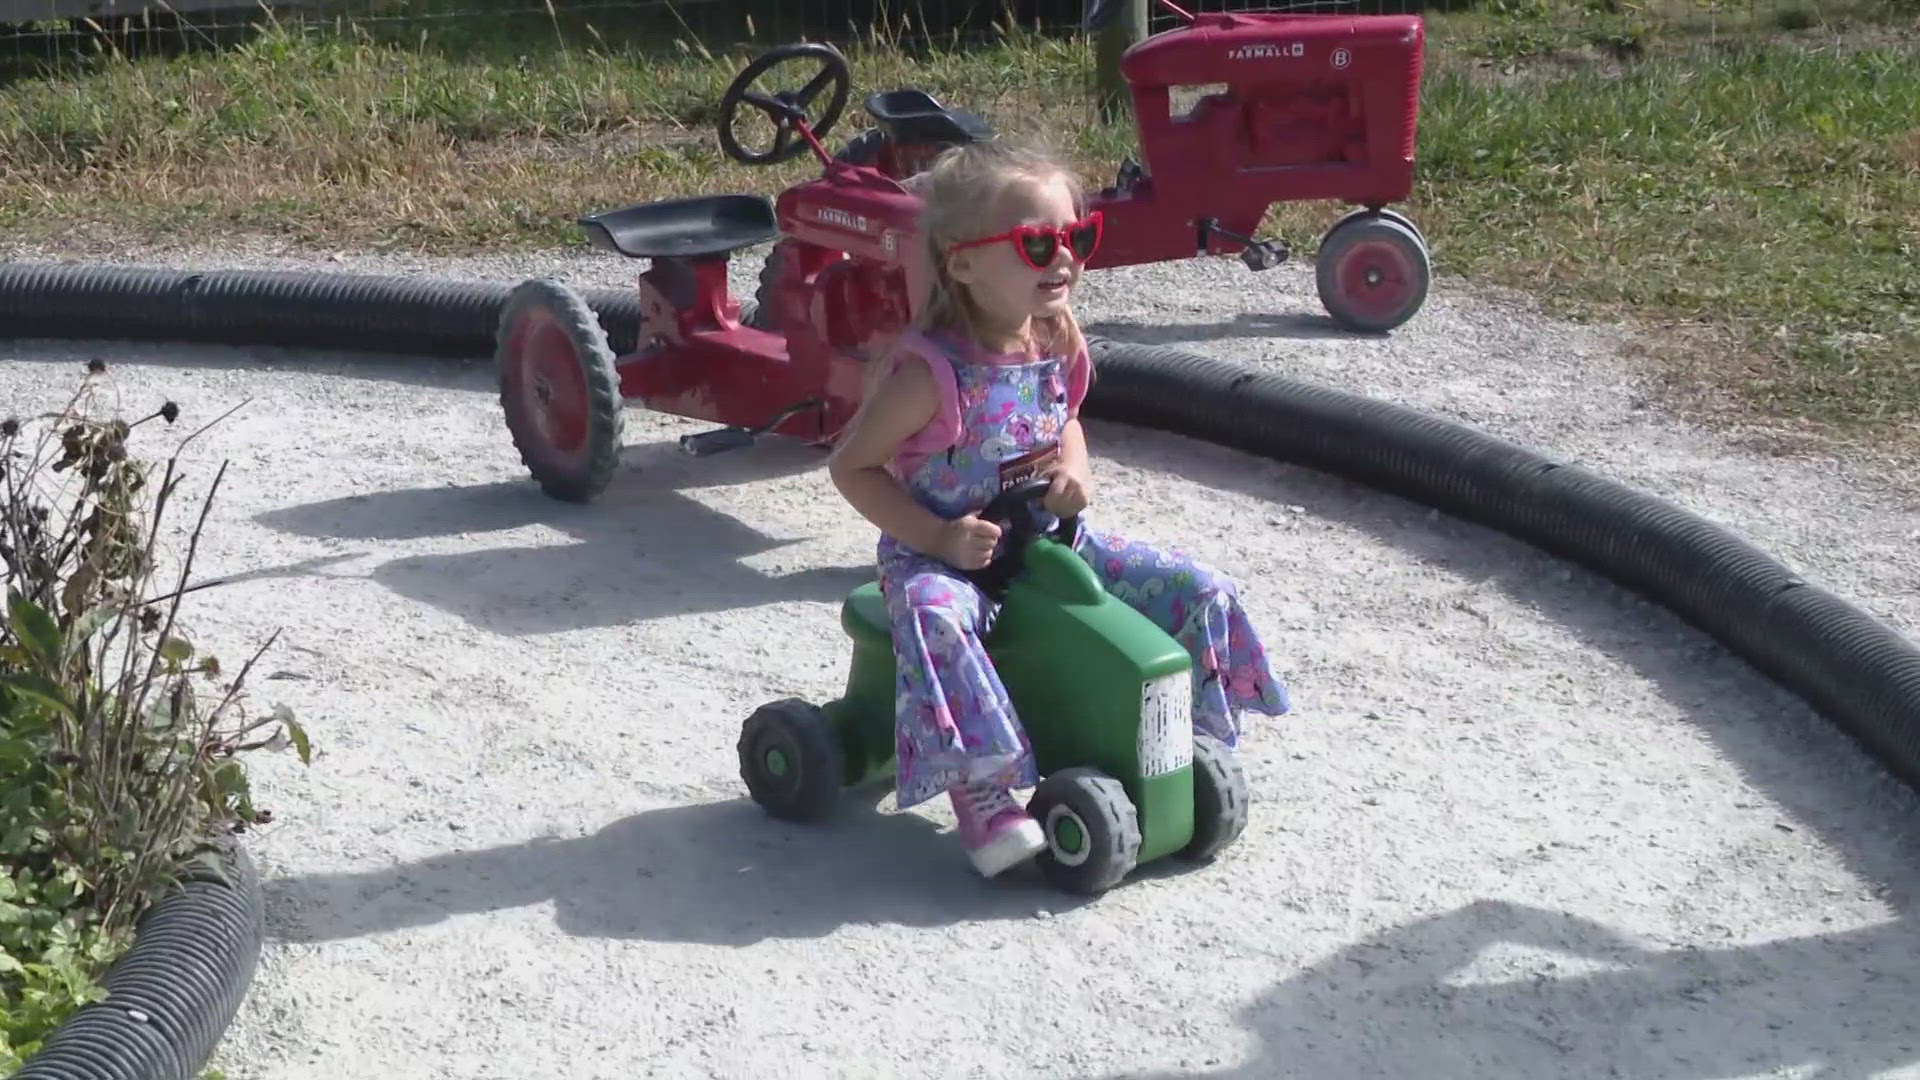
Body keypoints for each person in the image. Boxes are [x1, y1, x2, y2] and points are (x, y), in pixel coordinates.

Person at [826, 139, 1291, 878]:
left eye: (1078, 237)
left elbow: (1065, 418)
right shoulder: (931, 373)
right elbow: (851, 465)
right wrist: (938, 539)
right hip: (945, 562)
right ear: (964, 261)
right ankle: (984, 788)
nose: (1065, 259)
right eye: (1037, 243)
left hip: (1049, 545)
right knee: (934, 615)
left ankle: (1191, 738)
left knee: (1198, 587)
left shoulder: (1055, 340)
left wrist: (1075, 467)